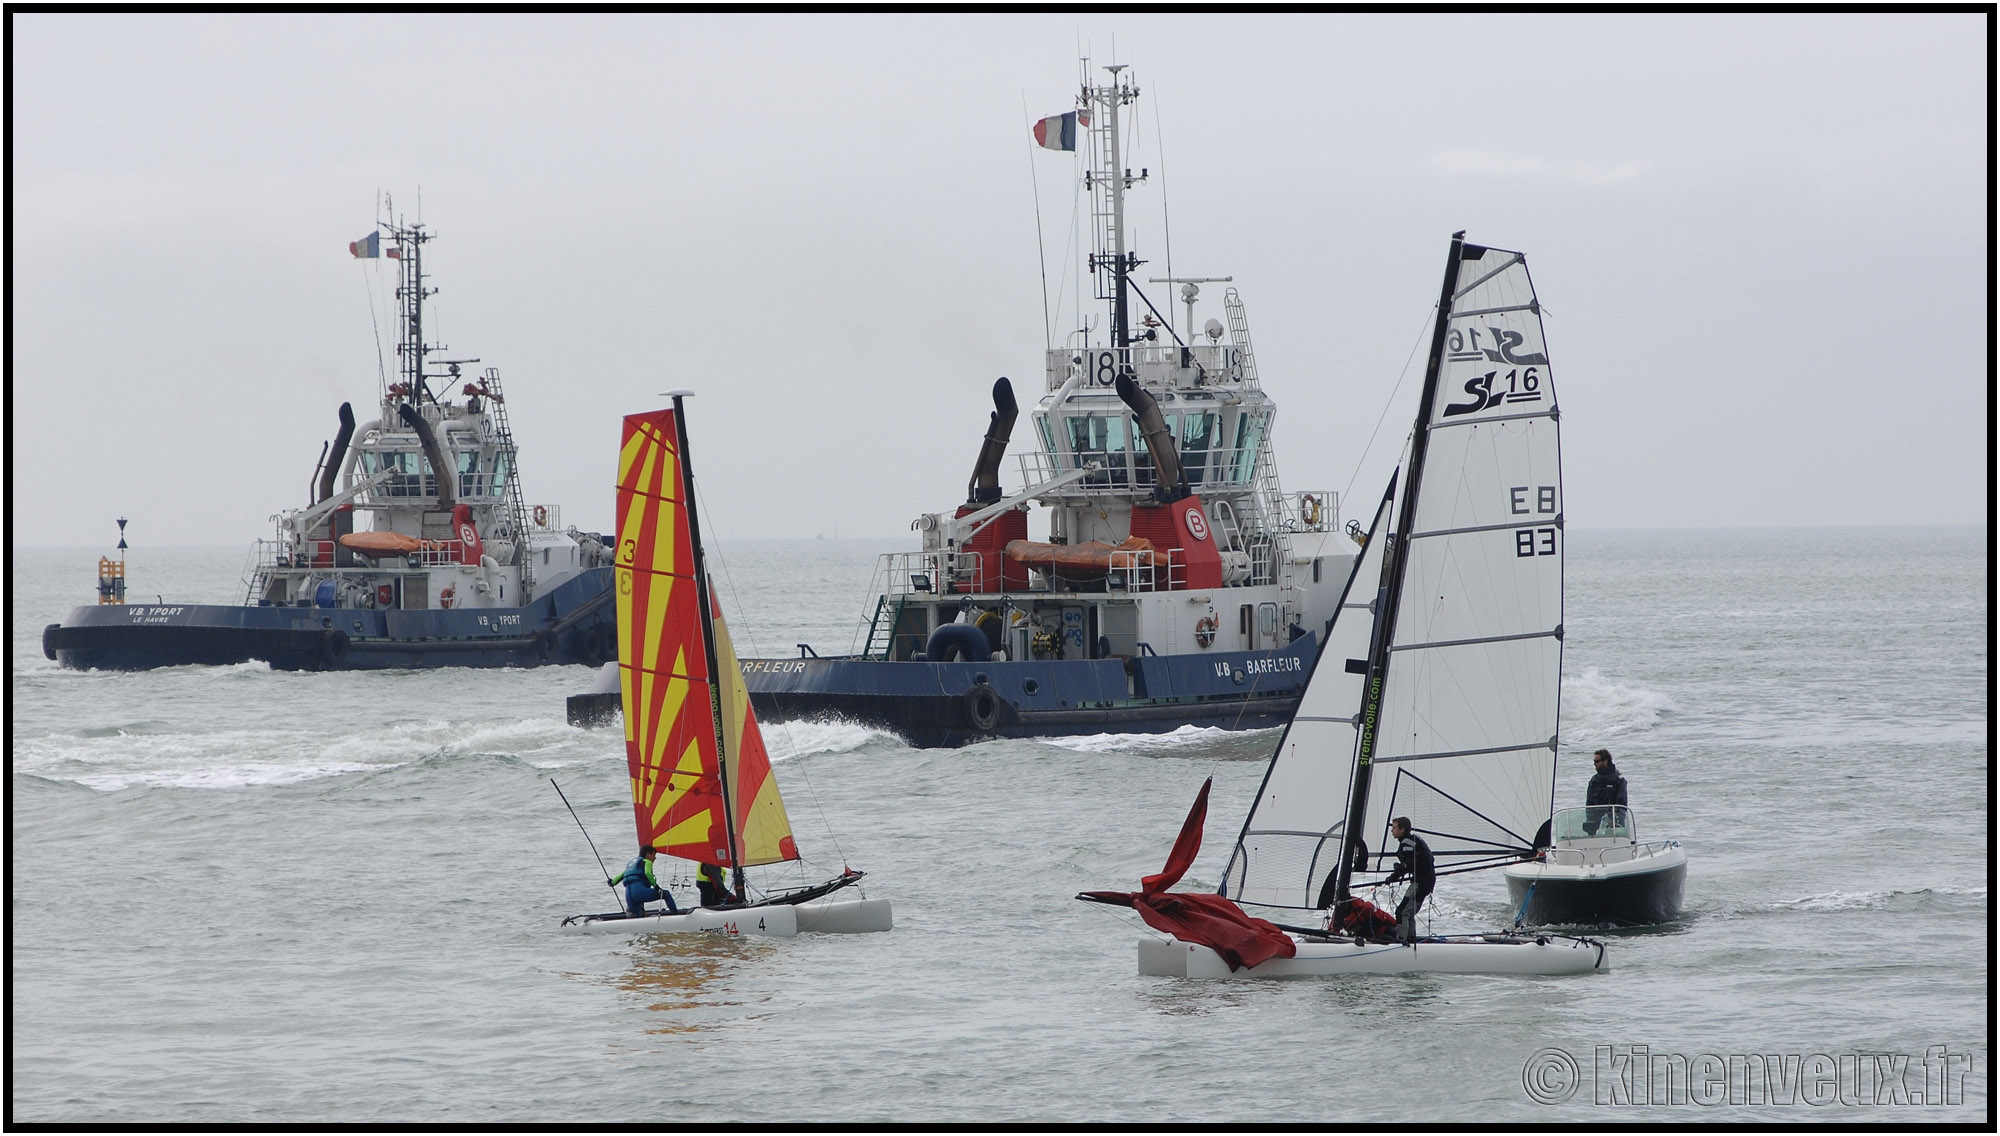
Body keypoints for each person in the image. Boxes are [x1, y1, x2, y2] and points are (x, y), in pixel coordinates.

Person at [1384, 817, 1435, 944]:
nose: (1392, 831)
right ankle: (1410, 939)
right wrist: (1394, 875)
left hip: (1421, 882)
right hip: (1425, 881)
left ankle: (1402, 940)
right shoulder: (1412, 840)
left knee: (1402, 912)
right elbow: (1412, 863)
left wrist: (1398, 870)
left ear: (1402, 829)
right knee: (1408, 912)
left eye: (1394, 827)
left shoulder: (1407, 842)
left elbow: (1412, 863)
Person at [611, 846, 679, 918]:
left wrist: (611, 882)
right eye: (654, 855)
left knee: (637, 916)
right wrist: (656, 887)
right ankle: (677, 916)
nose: (655, 858)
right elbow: (648, 873)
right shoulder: (647, 862)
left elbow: (618, 878)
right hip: (639, 892)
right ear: (648, 854)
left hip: (628, 896)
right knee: (666, 894)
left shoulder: (633, 865)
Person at [1584, 748, 1629, 834]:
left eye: (1597, 761)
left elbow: (1621, 802)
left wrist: (1614, 819)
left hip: (1614, 823)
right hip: (1596, 821)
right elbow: (1589, 803)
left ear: (1605, 761)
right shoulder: (1594, 780)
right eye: (1594, 762)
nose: (1595, 764)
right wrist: (1589, 820)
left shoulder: (1618, 779)